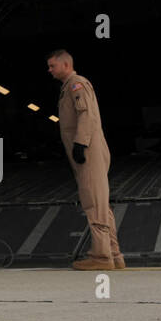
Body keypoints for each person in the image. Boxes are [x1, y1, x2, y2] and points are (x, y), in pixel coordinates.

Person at [46, 50, 124, 270]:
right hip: (88, 148)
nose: (49, 70)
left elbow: (86, 114)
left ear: (66, 64)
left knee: (93, 201)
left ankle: (101, 257)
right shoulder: (69, 87)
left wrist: (80, 143)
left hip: (88, 149)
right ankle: (114, 254)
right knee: (100, 202)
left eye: (52, 66)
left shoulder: (76, 84)